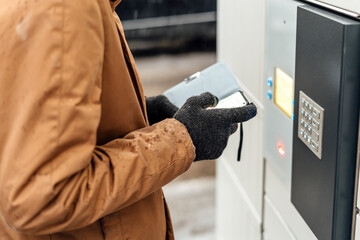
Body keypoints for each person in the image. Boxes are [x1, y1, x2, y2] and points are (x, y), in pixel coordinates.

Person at [0, 0, 256, 239]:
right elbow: (43, 196)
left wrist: (143, 114)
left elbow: (30, 117)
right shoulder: (67, 9)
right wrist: (182, 138)